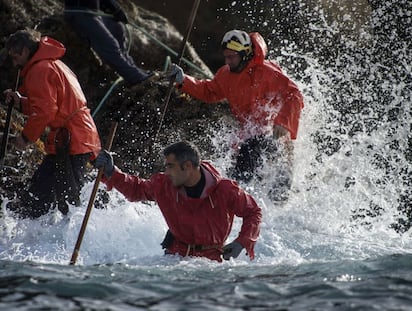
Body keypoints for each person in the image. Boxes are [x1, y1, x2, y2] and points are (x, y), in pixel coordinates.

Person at [169, 30, 304, 203]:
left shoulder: (268, 72)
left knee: (277, 192)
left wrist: (283, 122)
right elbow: (210, 92)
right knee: (241, 162)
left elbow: (294, 95)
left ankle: (242, 201)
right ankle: (233, 202)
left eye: (232, 57)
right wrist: (184, 81)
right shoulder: (225, 74)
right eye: (226, 57)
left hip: (276, 137)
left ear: (245, 54)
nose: (228, 61)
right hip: (250, 136)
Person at [94, 141, 262, 262]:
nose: (166, 172)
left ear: (187, 166)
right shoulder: (163, 184)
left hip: (212, 261)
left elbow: (253, 212)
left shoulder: (226, 190)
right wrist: (111, 172)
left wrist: (242, 242)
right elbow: (137, 190)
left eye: (170, 166)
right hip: (173, 257)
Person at [3, 29, 101, 218]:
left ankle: (63, 240)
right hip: (75, 138)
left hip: (72, 141)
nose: (15, 64)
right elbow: (50, 104)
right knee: (42, 197)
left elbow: (46, 111)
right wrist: (20, 103)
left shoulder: (39, 69)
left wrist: (25, 138)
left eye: (15, 58)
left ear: (24, 51)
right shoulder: (53, 64)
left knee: (59, 202)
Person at [64, 0, 155, 87]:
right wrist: (115, 8)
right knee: (110, 45)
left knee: (117, 27)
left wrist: (115, 9)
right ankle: (136, 78)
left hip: (93, 12)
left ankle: (133, 69)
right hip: (79, 12)